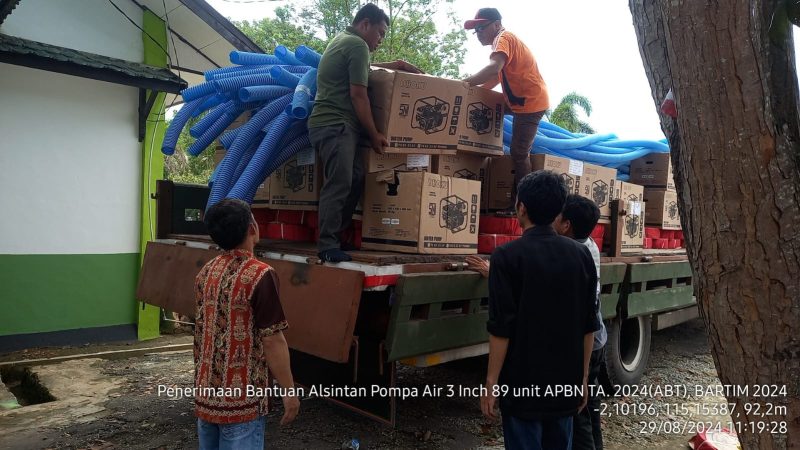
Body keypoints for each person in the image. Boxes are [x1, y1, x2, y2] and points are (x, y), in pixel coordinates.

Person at [479, 171, 600, 450]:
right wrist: (582, 378)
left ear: (521, 208)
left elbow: (501, 328)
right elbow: (588, 323)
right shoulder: (581, 254)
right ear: (558, 210)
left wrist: (491, 382)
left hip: (522, 386)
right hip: (565, 384)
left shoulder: (506, 257)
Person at [308, 3, 421, 263]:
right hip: (336, 124)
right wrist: (374, 134)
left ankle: (338, 237)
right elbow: (358, 95)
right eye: (380, 33)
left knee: (356, 177)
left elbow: (363, 68)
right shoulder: (357, 45)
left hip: (332, 125)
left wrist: (395, 64)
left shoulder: (344, 40)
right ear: (365, 24)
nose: (380, 39)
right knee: (340, 182)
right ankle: (327, 245)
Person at [194, 198, 299, 449]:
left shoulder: (206, 271)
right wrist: (289, 391)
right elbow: (272, 339)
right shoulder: (260, 274)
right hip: (242, 404)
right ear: (252, 228)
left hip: (206, 398)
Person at [463, 8, 549, 212]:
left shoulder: (503, 38)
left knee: (519, 153)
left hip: (530, 103)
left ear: (496, 24)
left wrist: (464, 84)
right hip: (519, 101)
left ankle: (524, 205)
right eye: (476, 30)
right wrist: (472, 94)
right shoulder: (505, 41)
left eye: (481, 28)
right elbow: (495, 77)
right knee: (487, 105)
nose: (478, 34)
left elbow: (493, 68)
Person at [554, 195, 606, 450]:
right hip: (596, 340)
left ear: (566, 226)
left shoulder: (572, 254)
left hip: (583, 343)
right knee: (590, 408)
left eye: (557, 215)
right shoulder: (589, 244)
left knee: (578, 415)